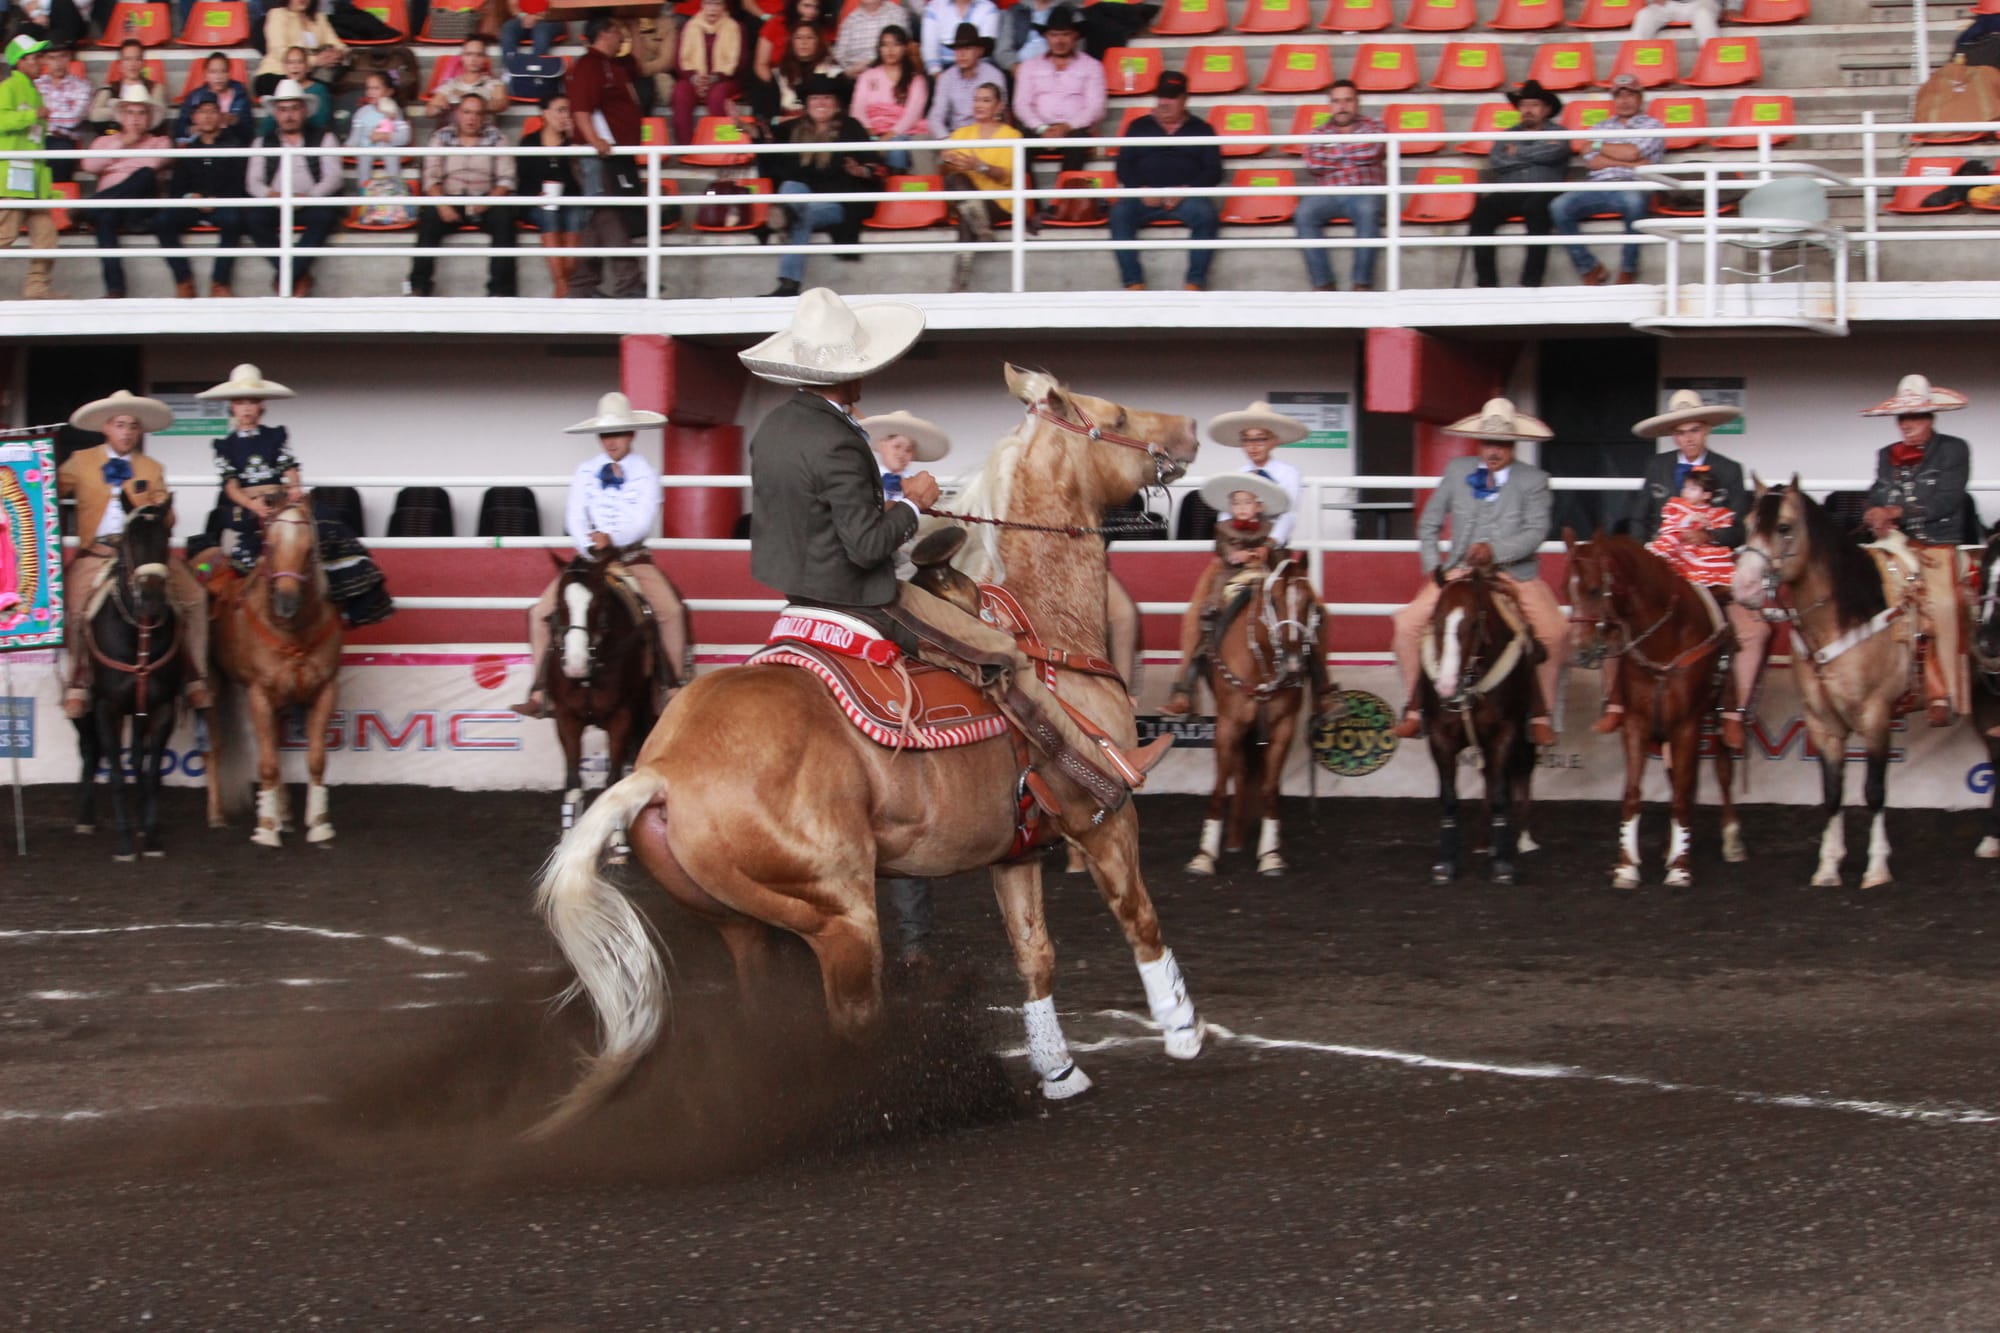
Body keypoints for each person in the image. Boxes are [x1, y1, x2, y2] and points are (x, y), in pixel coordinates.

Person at [742, 287, 1170, 811]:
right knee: (1003, 651)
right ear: (851, 372)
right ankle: (1099, 767)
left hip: (798, 595)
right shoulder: (839, 441)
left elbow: (807, 518)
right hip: (857, 594)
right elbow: (864, 545)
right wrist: (916, 505)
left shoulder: (774, 427)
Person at [1389, 398, 1568, 746]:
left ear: (1513, 444)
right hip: (1459, 572)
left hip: (1513, 573)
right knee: (1406, 625)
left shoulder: (1534, 480)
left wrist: (1495, 552)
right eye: (1488, 442)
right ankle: (1415, 709)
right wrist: (1435, 569)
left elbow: (1535, 532)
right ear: (1478, 443)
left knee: (1555, 632)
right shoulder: (1458, 470)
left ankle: (1541, 714)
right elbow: (1428, 523)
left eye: (1501, 443)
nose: (1494, 450)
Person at [512, 392, 691, 718]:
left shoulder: (645, 473)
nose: (611, 441)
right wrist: (589, 544)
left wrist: (613, 539)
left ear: (632, 435)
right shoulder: (585, 471)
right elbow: (574, 517)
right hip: (590, 558)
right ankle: (541, 691)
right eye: (606, 434)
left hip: (630, 558)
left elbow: (642, 520)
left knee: (670, 611)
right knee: (540, 612)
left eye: (618, 433)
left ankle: (673, 687)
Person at [1616, 387, 1765, 749]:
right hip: (1661, 568)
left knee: (1754, 631)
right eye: (1681, 432)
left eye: (1694, 430)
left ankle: (1733, 714)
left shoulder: (1728, 470)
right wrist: (1643, 561)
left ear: (1706, 430)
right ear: (1673, 435)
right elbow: (1639, 519)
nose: (1688, 438)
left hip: (1708, 570)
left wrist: (1710, 534)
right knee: (1609, 622)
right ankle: (1617, 704)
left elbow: (1741, 528)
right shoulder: (1656, 467)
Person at [56, 390, 212, 718]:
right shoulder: (81, 461)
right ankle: (79, 681)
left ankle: (195, 677)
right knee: (73, 603)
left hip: (144, 550)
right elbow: (48, 488)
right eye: (120, 425)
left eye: (133, 426)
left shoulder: (151, 467)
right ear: (106, 428)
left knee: (195, 597)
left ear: (139, 432)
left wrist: (155, 511)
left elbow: (167, 516)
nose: (127, 432)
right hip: (99, 551)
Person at [863, 406, 951, 964]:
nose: (907, 451)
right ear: (884, 444)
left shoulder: (920, 492)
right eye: (900, 443)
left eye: (911, 445)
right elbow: (874, 544)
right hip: (877, 594)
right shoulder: (868, 486)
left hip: (903, 591)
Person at [1861, 372, 1974, 726]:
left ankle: (1947, 692)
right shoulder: (1886, 455)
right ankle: (1884, 684)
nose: (1907, 425)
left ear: (1930, 418)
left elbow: (1948, 500)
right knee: (1874, 601)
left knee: (1942, 605)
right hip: (1895, 545)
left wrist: (1896, 511)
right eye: (1903, 418)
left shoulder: (1954, 449)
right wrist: (1873, 513)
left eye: (1915, 417)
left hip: (1938, 544)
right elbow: (1878, 492)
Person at [766, 74, 883, 298]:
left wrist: (860, 170)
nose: (820, 103)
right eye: (815, 98)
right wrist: (742, 129)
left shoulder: (851, 128)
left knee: (801, 212)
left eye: (827, 98)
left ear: (837, 103)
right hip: (802, 198)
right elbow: (764, 142)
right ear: (807, 103)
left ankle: (789, 280)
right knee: (792, 189)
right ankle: (787, 213)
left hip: (838, 202)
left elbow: (875, 166)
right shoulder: (793, 129)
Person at [1108, 71, 1221, 292]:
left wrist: (1187, 190)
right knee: (1119, 213)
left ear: (1185, 99)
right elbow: (1123, 166)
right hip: (1144, 196)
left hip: (1186, 198)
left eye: (1171, 97)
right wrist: (1140, 189)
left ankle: (1194, 283)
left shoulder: (1202, 129)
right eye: (1161, 96)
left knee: (1207, 215)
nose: (1164, 103)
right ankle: (1133, 283)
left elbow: (1214, 171)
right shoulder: (1138, 126)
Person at [1550, 74, 1663, 286]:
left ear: (1640, 98)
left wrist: (1600, 148)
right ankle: (1589, 268)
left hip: (1632, 184)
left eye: (1630, 94)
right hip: (1598, 185)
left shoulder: (1652, 125)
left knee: (1634, 202)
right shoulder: (1600, 126)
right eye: (1619, 95)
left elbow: (1632, 151)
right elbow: (1592, 161)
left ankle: (1628, 270)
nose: (1624, 100)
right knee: (1559, 206)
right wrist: (1630, 162)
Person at [194, 364, 303, 571]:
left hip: (278, 500)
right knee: (240, 549)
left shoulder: (275, 436)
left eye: (251, 402)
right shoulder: (225, 445)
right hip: (244, 505)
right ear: (232, 407)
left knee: (317, 524)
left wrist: (294, 487)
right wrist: (253, 505)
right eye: (240, 402)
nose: (246, 408)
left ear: (261, 406)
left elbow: (288, 466)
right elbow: (231, 485)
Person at [567, 16, 645, 300]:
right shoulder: (589, 65)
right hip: (597, 156)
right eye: (618, 30)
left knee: (598, 218)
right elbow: (580, 109)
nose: (621, 36)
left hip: (613, 154)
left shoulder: (615, 65)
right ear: (604, 33)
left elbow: (640, 62)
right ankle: (629, 282)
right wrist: (594, 140)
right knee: (607, 214)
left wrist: (635, 26)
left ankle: (582, 285)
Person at [408, 92, 516, 298]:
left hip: (486, 198)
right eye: (467, 112)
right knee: (429, 218)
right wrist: (442, 205)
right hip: (450, 197)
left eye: (477, 113)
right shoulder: (441, 137)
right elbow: (430, 178)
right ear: (458, 114)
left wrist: (488, 202)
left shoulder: (498, 138)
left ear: (484, 116)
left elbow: (506, 179)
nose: (471, 118)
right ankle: (418, 288)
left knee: (505, 218)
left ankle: (501, 292)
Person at [243, 79, 343, 298]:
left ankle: (285, 276)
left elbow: (334, 177)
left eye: (294, 109)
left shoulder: (325, 138)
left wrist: (308, 197)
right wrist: (273, 196)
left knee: (325, 216)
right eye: (283, 110)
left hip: (310, 203)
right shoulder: (262, 142)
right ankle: (298, 273)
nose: (288, 116)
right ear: (275, 114)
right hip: (275, 203)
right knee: (253, 219)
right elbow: (253, 182)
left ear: (305, 111)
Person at [1469, 80, 1568, 289]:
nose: (1528, 110)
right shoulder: (1507, 134)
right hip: (1511, 190)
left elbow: (1554, 152)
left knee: (1536, 209)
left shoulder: (1560, 132)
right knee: (1483, 211)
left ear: (1547, 109)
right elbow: (1497, 160)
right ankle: (1486, 284)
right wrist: (1535, 155)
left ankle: (1531, 282)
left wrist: (1518, 152)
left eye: (1534, 105)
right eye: (1524, 105)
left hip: (1544, 190)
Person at [81, 82, 170, 300]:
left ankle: (91, 206)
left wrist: (113, 164)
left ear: (149, 118)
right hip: (112, 209)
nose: (136, 118)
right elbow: (88, 166)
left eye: (141, 113)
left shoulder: (161, 141)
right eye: (130, 112)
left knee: (145, 175)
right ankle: (115, 289)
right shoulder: (104, 141)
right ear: (122, 115)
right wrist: (122, 145)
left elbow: (153, 163)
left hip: (140, 209)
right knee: (105, 217)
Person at [156, 90, 249, 299]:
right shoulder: (187, 149)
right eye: (201, 112)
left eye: (212, 111)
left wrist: (219, 200)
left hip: (223, 206)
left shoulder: (235, 146)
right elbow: (176, 191)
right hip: (193, 206)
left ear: (220, 115)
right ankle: (183, 281)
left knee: (234, 219)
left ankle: (220, 282)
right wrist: (191, 198)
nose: (207, 116)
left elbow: (240, 186)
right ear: (194, 117)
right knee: (163, 221)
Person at [1296, 79, 1384, 293]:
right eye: (1336, 101)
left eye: (1347, 100)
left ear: (1357, 103)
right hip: (1329, 193)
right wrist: (1351, 151)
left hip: (1365, 191)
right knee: (1303, 213)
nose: (1342, 106)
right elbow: (1313, 163)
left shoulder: (1375, 127)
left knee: (1368, 210)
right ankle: (1323, 285)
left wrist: (1333, 152)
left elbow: (1371, 151)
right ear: (1330, 105)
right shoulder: (1318, 133)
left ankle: (1361, 284)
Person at [1011, 5, 1103, 206]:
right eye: (1054, 35)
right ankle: (1029, 207)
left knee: (1077, 142)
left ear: (1075, 36)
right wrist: (1043, 128)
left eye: (1065, 34)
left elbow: (1096, 106)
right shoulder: (1029, 66)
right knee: (1019, 144)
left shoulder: (1092, 66)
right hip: (1038, 127)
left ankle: (1060, 205)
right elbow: (1021, 104)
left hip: (1074, 128)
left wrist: (1066, 127)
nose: (1059, 41)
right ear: (1046, 36)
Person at [940, 80, 1020, 292]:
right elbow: (947, 174)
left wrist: (980, 166)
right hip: (969, 200)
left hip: (1000, 203)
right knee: (956, 184)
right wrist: (948, 162)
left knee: (967, 213)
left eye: (986, 100)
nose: (979, 105)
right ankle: (980, 228)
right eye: (976, 99)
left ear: (999, 106)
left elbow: (1008, 176)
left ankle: (959, 284)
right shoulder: (961, 133)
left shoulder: (1011, 135)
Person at [0, 33, 62, 301]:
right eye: (35, 57)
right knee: (4, 236)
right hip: (13, 177)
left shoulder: (34, 91)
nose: (41, 62)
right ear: (20, 62)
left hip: (33, 181)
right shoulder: (9, 86)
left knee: (46, 238)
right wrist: (31, 115)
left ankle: (37, 289)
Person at [1206, 400, 1305, 546]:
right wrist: (1229, 538)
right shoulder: (1239, 475)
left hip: (1273, 544)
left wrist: (1271, 543)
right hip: (1238, 542)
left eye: (1260, 439)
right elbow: (1226, 511)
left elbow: (1288, 513)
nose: (1253, 446)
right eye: (1247, 440)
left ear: (1274, 441)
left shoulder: (1288, 473)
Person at [517, 91, 586, 297]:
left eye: (568, 111)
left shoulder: (573, 144)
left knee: (576, 216)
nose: (565, 115)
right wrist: (535, 195)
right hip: (538, 203)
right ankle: (563, 283)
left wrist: (574, 144)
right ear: (545, 113)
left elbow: (580, 182)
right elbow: (523, 181)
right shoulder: (529, 142)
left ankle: (563, 286)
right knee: (549, 214)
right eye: (560, 110)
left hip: (570, 200)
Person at [850, 24, 929, 170]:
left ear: (904, 48)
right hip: (871, 133)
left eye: (896, 44)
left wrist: (890, 135)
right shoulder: (867, 76)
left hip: (904, 134)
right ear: (879, 49)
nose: (890, 50)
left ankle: (896, 186)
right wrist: (870, 132)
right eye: (885, 45)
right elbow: (858, 109)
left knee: (896, 145)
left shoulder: (916, 80)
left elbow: (912, 115)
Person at [672, 0, 749, 144]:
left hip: (726, 79)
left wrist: (714, 78)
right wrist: (695, 78)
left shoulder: (736, 27)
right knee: (680, 91)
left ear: (725, 6)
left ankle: (720, 148)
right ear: (702, 5)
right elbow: (678, 63)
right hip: (694, 78)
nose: (712, 9)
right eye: (709, 3)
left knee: (717, 95)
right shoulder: (689, 26)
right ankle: (685, 148)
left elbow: (740, 64)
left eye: (717, 4)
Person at [1646, 467, 1735, 581]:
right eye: (1685, 487)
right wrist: (1688, 519)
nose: (1686, 492)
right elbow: (1670, 526)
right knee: (1672, 545)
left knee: (1709, 561)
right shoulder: (1677, 507)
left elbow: (1719, 531)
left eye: (1692, 489)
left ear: (1706, 495)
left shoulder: (1715, 513)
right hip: (1680, 546)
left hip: (1700, 548)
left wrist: (1707, 525)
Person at [927, 20, 1003, 136]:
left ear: (979, 51)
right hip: (953, 137)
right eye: (958, 49)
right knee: (920, 141)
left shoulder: (994, 75)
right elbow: (936, 117)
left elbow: (999, 113)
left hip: (985, 137)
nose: (961, 54)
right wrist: (946, 141)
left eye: (967, 48)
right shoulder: (946, 78)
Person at [32, 39, 89, 182]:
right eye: (52, 58)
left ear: (69, 57)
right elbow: (26, 113)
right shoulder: (35, 85)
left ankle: (56, 202)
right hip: (35, 138)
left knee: (60, 152)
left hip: (63, 140)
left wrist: (43, 115)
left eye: (62, 56)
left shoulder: (81, 86)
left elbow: (73, 120)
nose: (58, 63)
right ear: (44, 60)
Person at [256, 0, 345, 87]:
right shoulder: (277, 14)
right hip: (276, 73)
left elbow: (339, 45)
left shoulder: (319, 17)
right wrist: (315, 60)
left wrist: (337, 55)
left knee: (319, 87)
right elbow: (280, 51)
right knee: (314, 89)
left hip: (308, 75)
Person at [173, 50, 252, 143]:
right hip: (201, 144)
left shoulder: (240, 96)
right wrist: (192, 129)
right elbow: (179, 129)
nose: (219, 77)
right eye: (213, 72)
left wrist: (236, 122)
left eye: (223, 71)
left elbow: (249, 133)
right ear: (206, 75)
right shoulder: (194, 96)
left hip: (230, 145)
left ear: (229, 74)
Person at [425, 35, 507, 122]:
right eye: (469, 54)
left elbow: (501, 105)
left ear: (485, 58)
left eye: (479, 55)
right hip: (453, 132)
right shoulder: (450, 84)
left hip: (483, 133)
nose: (473, 59)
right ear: (462, 57)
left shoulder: (495, 84)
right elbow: (429, 112)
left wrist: (465, 99)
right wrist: (439, 108)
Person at [772, 21, 843, 121]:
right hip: (787, 127)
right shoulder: (779, 73)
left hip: (824, 127)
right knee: (741, 135)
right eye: (798, 38)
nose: (804, 42)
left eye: (809, 37)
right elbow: (772, 118)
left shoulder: (833, 72)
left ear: (818, 42)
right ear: (791, 42)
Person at [88, 40, 166, 130]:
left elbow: (156, 119)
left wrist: (115, 107)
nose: (132, 64)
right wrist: (134, 113)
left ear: (143, 63)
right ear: (120, 64)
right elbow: (94, 115)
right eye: (127, 59)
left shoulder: (155, 87)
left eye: (137, 59)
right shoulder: (109, 88)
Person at [835, 0, 914, 79]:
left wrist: (873, 66)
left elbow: (905, 50)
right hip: (855, 79)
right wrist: (849, 72)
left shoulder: (897, 14)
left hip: (891, 76)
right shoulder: (849, 21)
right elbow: (840, 58)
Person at [920, 0, 1000, 75]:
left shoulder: (988, 8)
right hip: (943, 69)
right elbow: (929, 49)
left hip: (979, 69)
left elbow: (985, 51)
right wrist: (939, 77)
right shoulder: (934, 7)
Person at [996, 0, 1062, 71]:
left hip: (1058, 68)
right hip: (1020, 68)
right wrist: (1015, 66)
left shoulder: (1068, 9)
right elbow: (1002, 50)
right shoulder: (1015, 11)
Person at [499, 0, 566, 60]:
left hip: (550, 20)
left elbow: (556, 9)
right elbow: (512, 5)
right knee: (508, 28)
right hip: (524, 19)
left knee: (541, 30)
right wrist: (523, 16)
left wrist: (536, 17)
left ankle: (537, 68)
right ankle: (511, 66)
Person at [1632, 0, 1720, 43]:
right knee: (1644, 15)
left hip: (1701, 3)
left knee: (1703, 15)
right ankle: (1639, 68)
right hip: (1668, 4)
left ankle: (1713, 64)